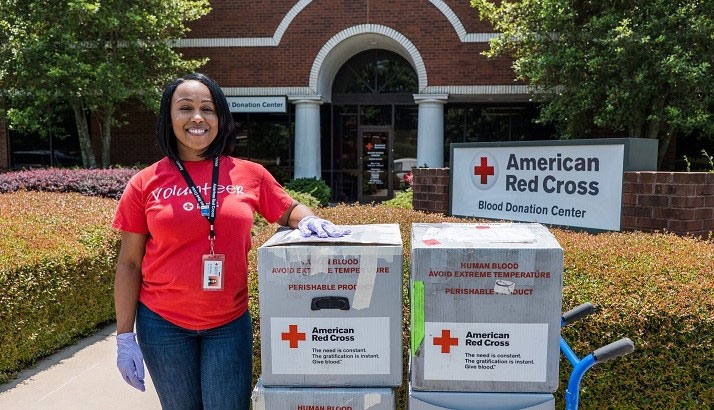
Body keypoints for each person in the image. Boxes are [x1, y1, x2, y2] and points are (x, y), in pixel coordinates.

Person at [112, 72, 349, 409]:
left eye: (208, 109)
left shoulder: (249, 173)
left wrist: (308, 219)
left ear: (220, 117)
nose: (197, 117)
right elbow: (129, 263)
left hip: (228, 323)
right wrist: (124, 335)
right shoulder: (144, 183)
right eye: (185, 108)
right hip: (162, 324)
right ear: (169, 117)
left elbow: (287, 208)